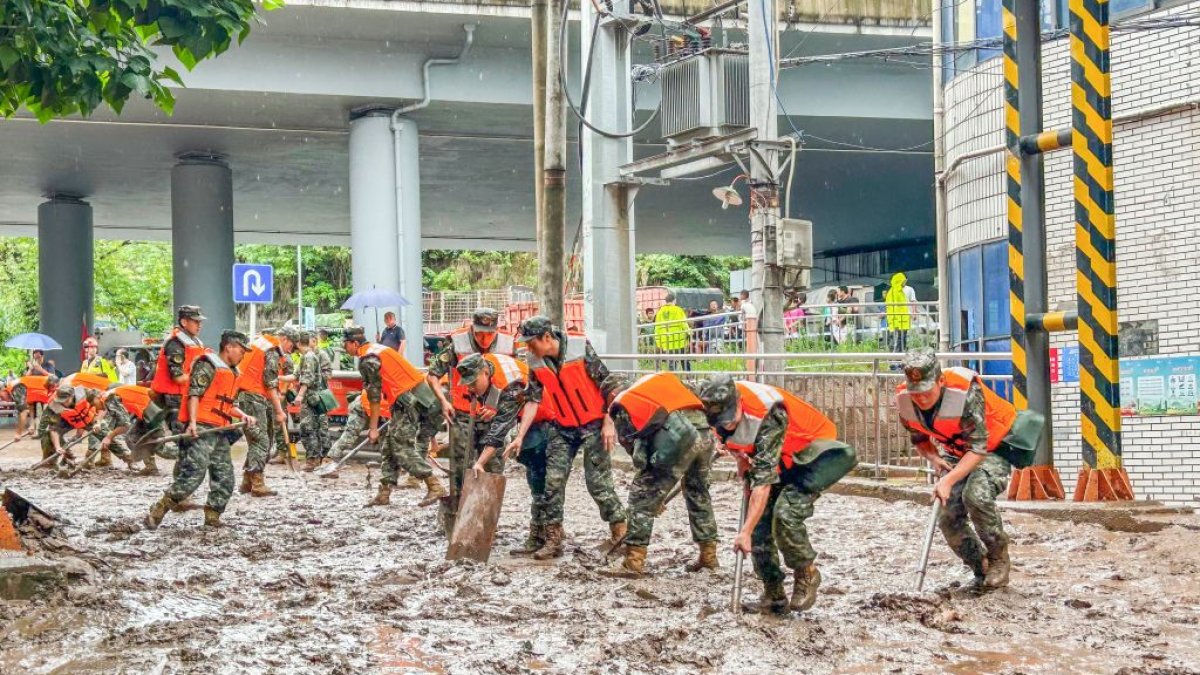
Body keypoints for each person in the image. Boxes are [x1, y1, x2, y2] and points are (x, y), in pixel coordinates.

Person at [697, 375, 857, 614]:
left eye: (730, 418)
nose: (727, 424)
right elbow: (733, 439)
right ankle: (773, 594)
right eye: (721, 421)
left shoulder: (769, 414)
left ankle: (807, 573)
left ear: (739, 402)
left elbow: (762, 483)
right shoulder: (713, 408)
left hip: (812, 455)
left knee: (784, 514)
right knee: (760, 523)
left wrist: (744, 533)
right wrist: (740, 458)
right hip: (780, 459)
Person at [896, 348, 1041, 589]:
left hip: (993, 446)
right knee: (947, 516)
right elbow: (919, 440)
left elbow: (978, 448)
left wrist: (948, 480)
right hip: (955, 452)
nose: (920, 398)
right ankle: (980, 566)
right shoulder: (905, 401)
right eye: (915, 393)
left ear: (940, 381)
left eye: (925, 392)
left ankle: (998, 559)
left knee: (976, 496)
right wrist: (933, 458)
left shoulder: (964, 393)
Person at [505, 316, 627, 560]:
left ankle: (621, 533)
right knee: (553, 482)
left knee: (598, 483)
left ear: (547, 338)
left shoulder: (580, 349)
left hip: (594, 424)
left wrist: (608, 421)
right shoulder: (535, 362)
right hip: (562, 427)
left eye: (532, 343)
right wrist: (519, 436)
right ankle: (553, 538)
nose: (529, 348)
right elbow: (533, 399)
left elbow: (609, 385)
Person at [603, 373, 718, 576]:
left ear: (612, 393)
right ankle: (708, 556)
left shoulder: (625, 402)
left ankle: (633, 562)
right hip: (704, 433)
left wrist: (654, 495)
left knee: (641, 496)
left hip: (680, 437)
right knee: (698, 493)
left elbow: (639, 457)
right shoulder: (658, 384)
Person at [145, 330, 258, 530]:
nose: (243, 355)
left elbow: (227, 404)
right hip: (202, 428)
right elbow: (194, 395)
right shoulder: (208, 365)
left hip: (220, 431)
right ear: (229, 347)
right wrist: (193, 423)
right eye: (241, 350)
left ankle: (213, 517)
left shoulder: (232, 372)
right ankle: (159, 509)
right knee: (193, 475)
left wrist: (243, 415)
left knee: (225, 477)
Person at [426, 308, 515, 527]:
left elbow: (513, 381)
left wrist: (498, 407)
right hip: (463, 415)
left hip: (494, 417)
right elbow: (432, 375)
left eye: (489, 333)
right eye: (479, 333)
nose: (484, 338)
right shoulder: (456, 344)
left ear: (496, 329)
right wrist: (444, 401)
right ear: (472, 328)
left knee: (493, 468)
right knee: (461, 468)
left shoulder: (508, 344)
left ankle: (487, 520)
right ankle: (458, 515)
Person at [342, 326, 447, 508]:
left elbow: (374, 397)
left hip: (408, 401)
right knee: (390, 445)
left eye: (345, 345)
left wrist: (373, 428)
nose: (344, 349)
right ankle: (384, 492)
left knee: (400, 447)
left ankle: (434, 484)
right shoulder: (379, 348)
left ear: (354, 343)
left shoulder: (368, 360)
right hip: (417, 397)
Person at [450, 353, 527, 536]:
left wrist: (480, 462)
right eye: (467, 384)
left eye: (473, 383)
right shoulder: (485, 366)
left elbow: (499, 431)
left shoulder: (510, 384)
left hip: (544, 417)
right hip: (523, 414)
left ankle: (550, 531)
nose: (470, 389)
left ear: (485, 372)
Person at [234, 327, 299, 497]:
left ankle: (247, 481)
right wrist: (279, 410)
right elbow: (270, 383)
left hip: (249, 395)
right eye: (291, 345)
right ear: (284, 339)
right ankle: (257, 482)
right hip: (254, 398)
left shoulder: (262, 343)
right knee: (262, 441)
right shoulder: (272, 350)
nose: (291, 350)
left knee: (259, 440)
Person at [151, 306, 208, 438]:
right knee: (182, 438)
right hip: (173, 397)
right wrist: (200, 378)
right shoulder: (176, 343)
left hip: (186, 395)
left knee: (189, 436)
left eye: (200, 322)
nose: (199, 325)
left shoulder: (195, 342)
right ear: (184, 322)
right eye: (196, 321)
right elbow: (177, 377)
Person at [95, 383, 162, 472]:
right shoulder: (110, 395)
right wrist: (98, 422)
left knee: (134, 438)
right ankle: (151, 466)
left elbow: (125, 425)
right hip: (147, 409)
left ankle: (151, 465)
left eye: (93, 404)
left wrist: (109, 437)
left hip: (148, 411)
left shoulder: (110, 397)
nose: (94, 408)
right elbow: (103, 410)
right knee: (138, 437)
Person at [295, 331, 331, 471]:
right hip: (311, 397)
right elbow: (297, 375)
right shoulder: (305, 357)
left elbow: (316, 377)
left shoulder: (316, 356)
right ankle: (315, 458)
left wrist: (300, 394)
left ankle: (321, 458)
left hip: (317, 396)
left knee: (317, 428)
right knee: (310, 428)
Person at [5, 374, 56, 440]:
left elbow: (24, 412)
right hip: (50, 392)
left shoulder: (15, 388)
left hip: (53, 387)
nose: (4, 401)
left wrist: (18, 433)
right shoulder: (23, 389)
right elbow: (30, 405)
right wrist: (32, 425)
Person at [653, 292, 691, 371]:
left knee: (671, 362)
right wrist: (689, 333)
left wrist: (659, 342)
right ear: (674, 300)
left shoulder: (660, 312)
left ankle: (673, 377)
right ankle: (689, 377)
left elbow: (657, 328)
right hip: (679, 340)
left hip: (666, 342)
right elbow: (683, 324)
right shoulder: (678, 310)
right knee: (684, 360)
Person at [885, 272, 918, 354]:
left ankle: (899, 356)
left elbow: (913, 301)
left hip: (903, 318)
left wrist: (914, 313)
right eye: (903, 281)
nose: (904, 283)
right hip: (895, 319)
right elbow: (889, 306)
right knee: (897, 339)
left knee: (902, 338)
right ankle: (896, 357)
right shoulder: (892, 291)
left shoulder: (908, 289)